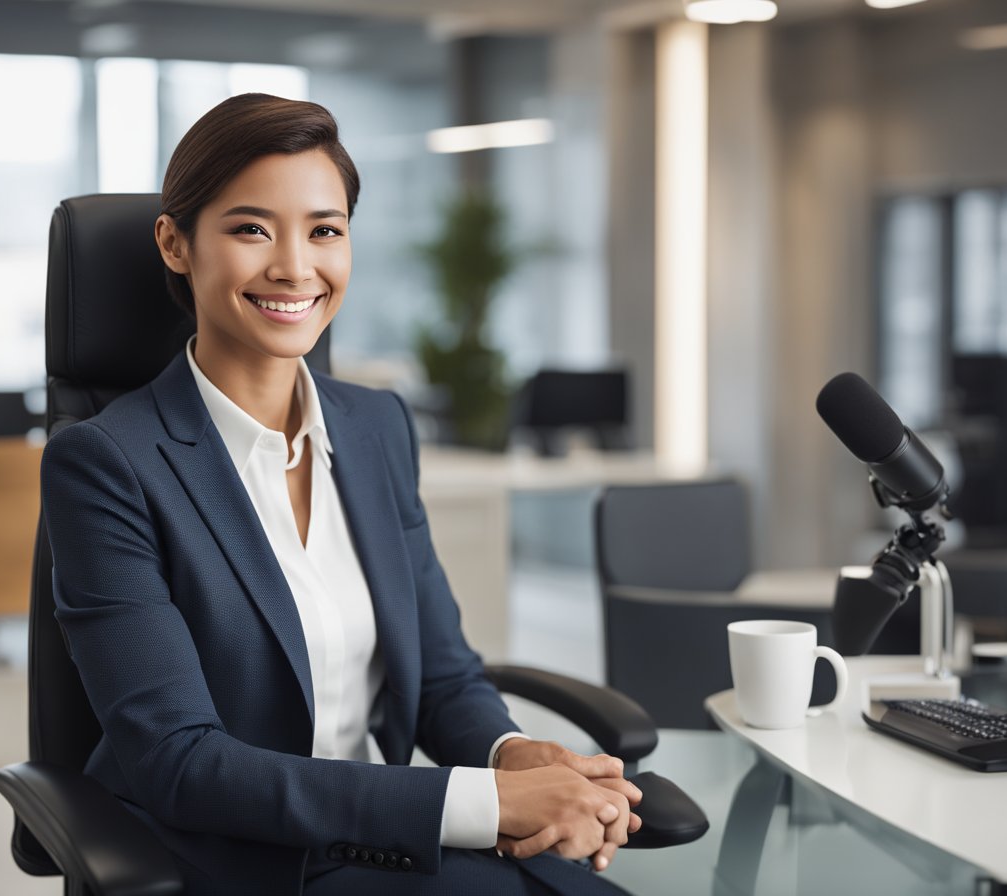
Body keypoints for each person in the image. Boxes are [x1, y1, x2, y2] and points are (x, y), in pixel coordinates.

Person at [40, 92, 642, 896]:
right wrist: (484, 803)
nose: (295, 266)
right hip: (239, 861)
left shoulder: (376, 427)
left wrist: (514, 758)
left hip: (394, 840)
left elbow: (444, 677)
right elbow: (179, 761)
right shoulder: (108, 463)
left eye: (325, 230)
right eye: (252, 228)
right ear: (175, 244)